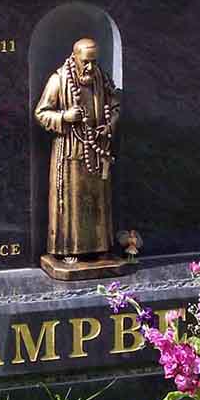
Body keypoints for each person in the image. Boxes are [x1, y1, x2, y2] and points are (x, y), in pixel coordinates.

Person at [34, 38, 120, 264]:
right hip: (70, 153)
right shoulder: (58, 79)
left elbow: (115, 104)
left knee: (99, 201)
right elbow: (41, 113)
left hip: (97, 150)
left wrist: (109, 125)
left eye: (94, 61)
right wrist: (64, 117)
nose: (90, 67)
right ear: (74, 58)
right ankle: (68, 248)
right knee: (71, 203)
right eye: (86, 62)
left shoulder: (102, 79)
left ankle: (101, 246)